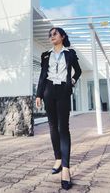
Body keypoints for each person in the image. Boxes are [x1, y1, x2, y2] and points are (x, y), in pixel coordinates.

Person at [36, 27, 82, 190]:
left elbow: (78, 71)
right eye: (50, 34)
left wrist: (73, 81)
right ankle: (57, 159)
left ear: (62, 36)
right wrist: (39, 95)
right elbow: (42, 75)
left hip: (63, 90)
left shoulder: (70, 53)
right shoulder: (45, 54)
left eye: (55, 33)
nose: (51, 36)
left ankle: (66, 168)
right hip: (48, 90)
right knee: (52, 127)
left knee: (64, 128)